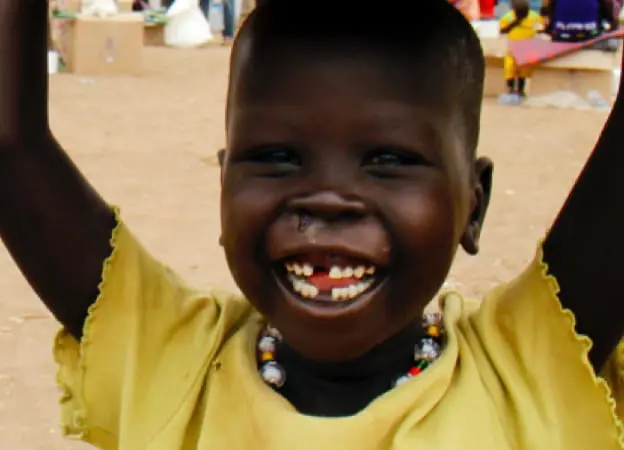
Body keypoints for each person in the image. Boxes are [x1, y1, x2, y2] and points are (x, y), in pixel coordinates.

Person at [3, 0, 624, 448]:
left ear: (474, 204)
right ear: (223, 187)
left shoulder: (528, 368)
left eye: (390, 160)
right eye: (275, 158)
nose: (327, 200)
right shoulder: (168, 361)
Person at [499, 0, 545, 98]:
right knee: (510, 68)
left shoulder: (534, 16)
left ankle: (520, 90)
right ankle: (511, 89)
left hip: (526, 48)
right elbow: (502, 30)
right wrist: (516, 22)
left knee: (523, 70)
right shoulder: (508, 18)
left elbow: (541, 27)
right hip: (513, 49)